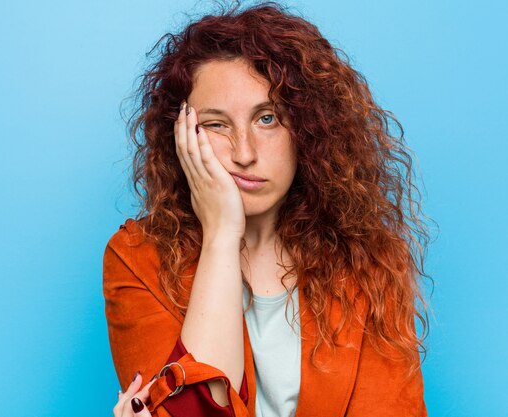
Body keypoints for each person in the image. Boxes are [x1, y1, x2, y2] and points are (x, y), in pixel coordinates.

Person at [104, 3, 431, 416]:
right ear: (182, 136)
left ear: (309, 129)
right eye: (217, 124)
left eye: (268, 118)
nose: (244, 153)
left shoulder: (368, 262)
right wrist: (222, 234)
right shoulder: (136, 259)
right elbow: (197, 413)